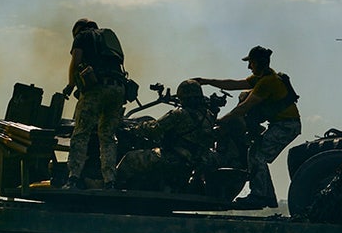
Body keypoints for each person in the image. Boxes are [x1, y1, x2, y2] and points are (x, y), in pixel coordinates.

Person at [194, 46, 301, 209]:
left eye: (251, 63)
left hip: (286, 126)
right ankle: (268, 197)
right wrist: (207, 81)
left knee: (256, 154)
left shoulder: (267, 82)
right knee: (258, 155)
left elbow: (244, 107)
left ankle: (258, 196)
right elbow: (233, 84)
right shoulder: (263, 78)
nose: (249, 66)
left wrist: (222, 120)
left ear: (258, 63)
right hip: (284, 124)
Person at [116, 79, 216, 193]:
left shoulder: (179, 113)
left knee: (131, 158)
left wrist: (135, 129)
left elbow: (154, 129)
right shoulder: (209, 116)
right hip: (200, 161)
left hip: (175, 158)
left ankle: (112, 187)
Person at [62, 18, 127, 190]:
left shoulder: (82, 36)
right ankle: (109, 181)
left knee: (81, 133)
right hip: (119, 89)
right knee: (107, 137)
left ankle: (73, 178)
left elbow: (76, 61)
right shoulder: (107, 38)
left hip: (97, 89)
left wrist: (70, 85)